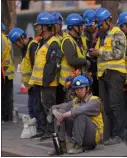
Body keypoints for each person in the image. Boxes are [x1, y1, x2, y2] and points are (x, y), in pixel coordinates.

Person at [89, 8, 127, 145]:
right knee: (108, 107)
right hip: (104, 75)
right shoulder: (102, 36)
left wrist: (99, 52)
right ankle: (111, 135)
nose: (100, 27)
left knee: (115, 105)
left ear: (108, 21)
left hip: (115, 73)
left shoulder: (118, 33)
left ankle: (119, 135)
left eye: (101, 24)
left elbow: (118, 53)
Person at [28, 12, 63, 141]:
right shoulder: (42, 42)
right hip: (39, 82)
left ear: (45, 27)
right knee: (41, 107)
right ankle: (43, 130)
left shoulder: (53, 43)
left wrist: (46, 82)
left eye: (38, 26)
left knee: (50, 108)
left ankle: (51, 131)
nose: (36, 28)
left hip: (47, 83)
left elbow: (52, 65)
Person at [48, 74, 103, 155]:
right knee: (60, 112)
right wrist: (55, 112)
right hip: (79, 134)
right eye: (77, 89)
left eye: (81, 88)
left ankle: (77, 146)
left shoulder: (95, 101)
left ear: (87, 89)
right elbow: (56, 107)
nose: (79, 91)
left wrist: (69, 113)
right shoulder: (75, 101)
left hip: (92, 137)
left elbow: (81, 109)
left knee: (80, 114)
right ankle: (61, 145)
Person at [8, 28, 45, 134]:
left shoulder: (32, 46)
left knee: (36, 108)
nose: (15, 46)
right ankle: (36, 129)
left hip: (35, 83)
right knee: (32, 108)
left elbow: (35, 65)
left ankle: (41, 129)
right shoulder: (25, 48)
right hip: (30, 85)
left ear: (20, 38)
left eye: (15, 43)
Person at [59, 13, 90, 103]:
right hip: (69, 82)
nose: (82, 28)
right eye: (80, 26)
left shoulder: (76, 40)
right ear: (72, 27)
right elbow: (72, 60)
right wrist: (85, 61)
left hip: (75, 81)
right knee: (72, 107)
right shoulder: (68, 41)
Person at [83, 9, 99, 97]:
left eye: (91, 25)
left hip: (99, 67)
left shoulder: (101, 33)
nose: (90, 28)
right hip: (89, 68)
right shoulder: (84, 34)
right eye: (88, 26)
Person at [1, 23, 15, 122]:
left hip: (3, 72)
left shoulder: (2, 38)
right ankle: (5, 117)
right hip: (7, 72)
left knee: (3, 96)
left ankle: (4, 117)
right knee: (6, 96)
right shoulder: (7, 39)